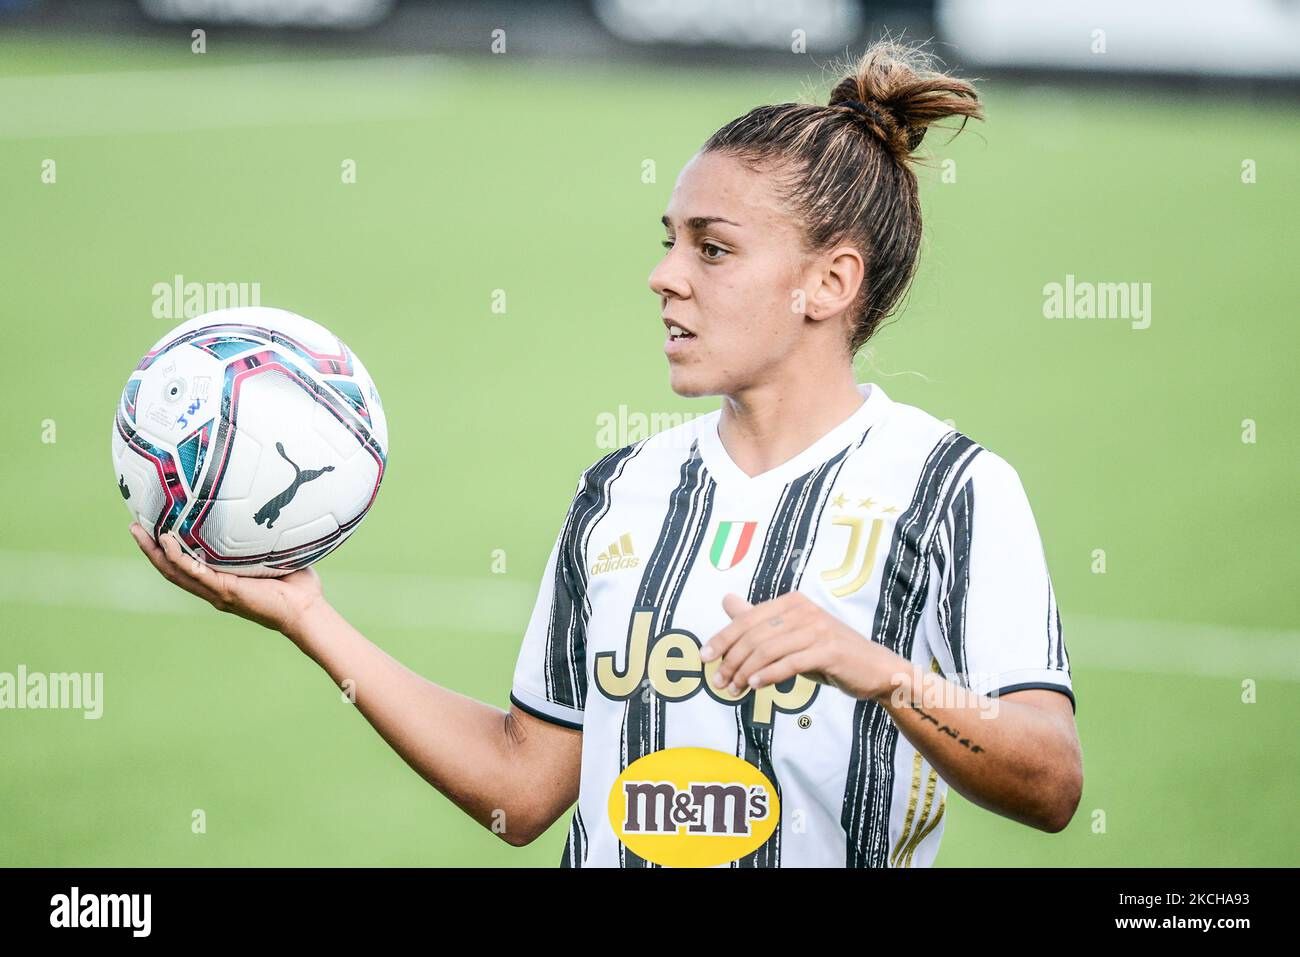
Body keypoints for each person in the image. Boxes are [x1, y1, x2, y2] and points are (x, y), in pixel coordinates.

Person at [130, 40, 1082, 868]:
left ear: (828, 282)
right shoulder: (621, 490)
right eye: (670, 241)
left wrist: (876, 667)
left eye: (712, 249)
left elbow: (1051, 782)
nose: (664, 275)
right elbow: (524, 789)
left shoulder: (952, 489)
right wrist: (308, 618)